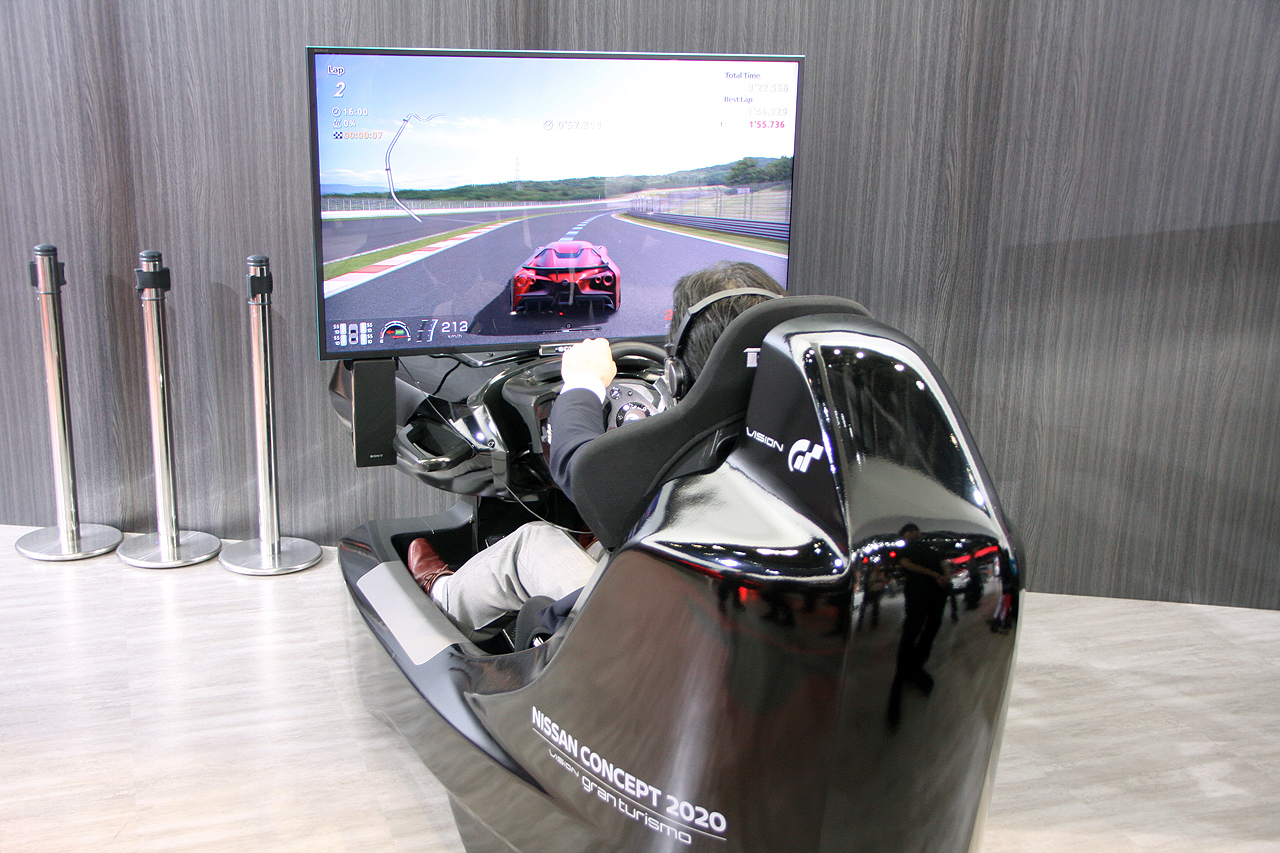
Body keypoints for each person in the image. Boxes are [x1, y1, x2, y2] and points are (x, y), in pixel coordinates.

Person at [407, 261, 786, 641]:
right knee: (608, 548)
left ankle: (444, 598)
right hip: (755, 622)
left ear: (678, 372)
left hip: (661, 636)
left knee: (530, 543)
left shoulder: (698, 444)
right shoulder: (797, 433)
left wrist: (583, 384)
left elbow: (580, 471)